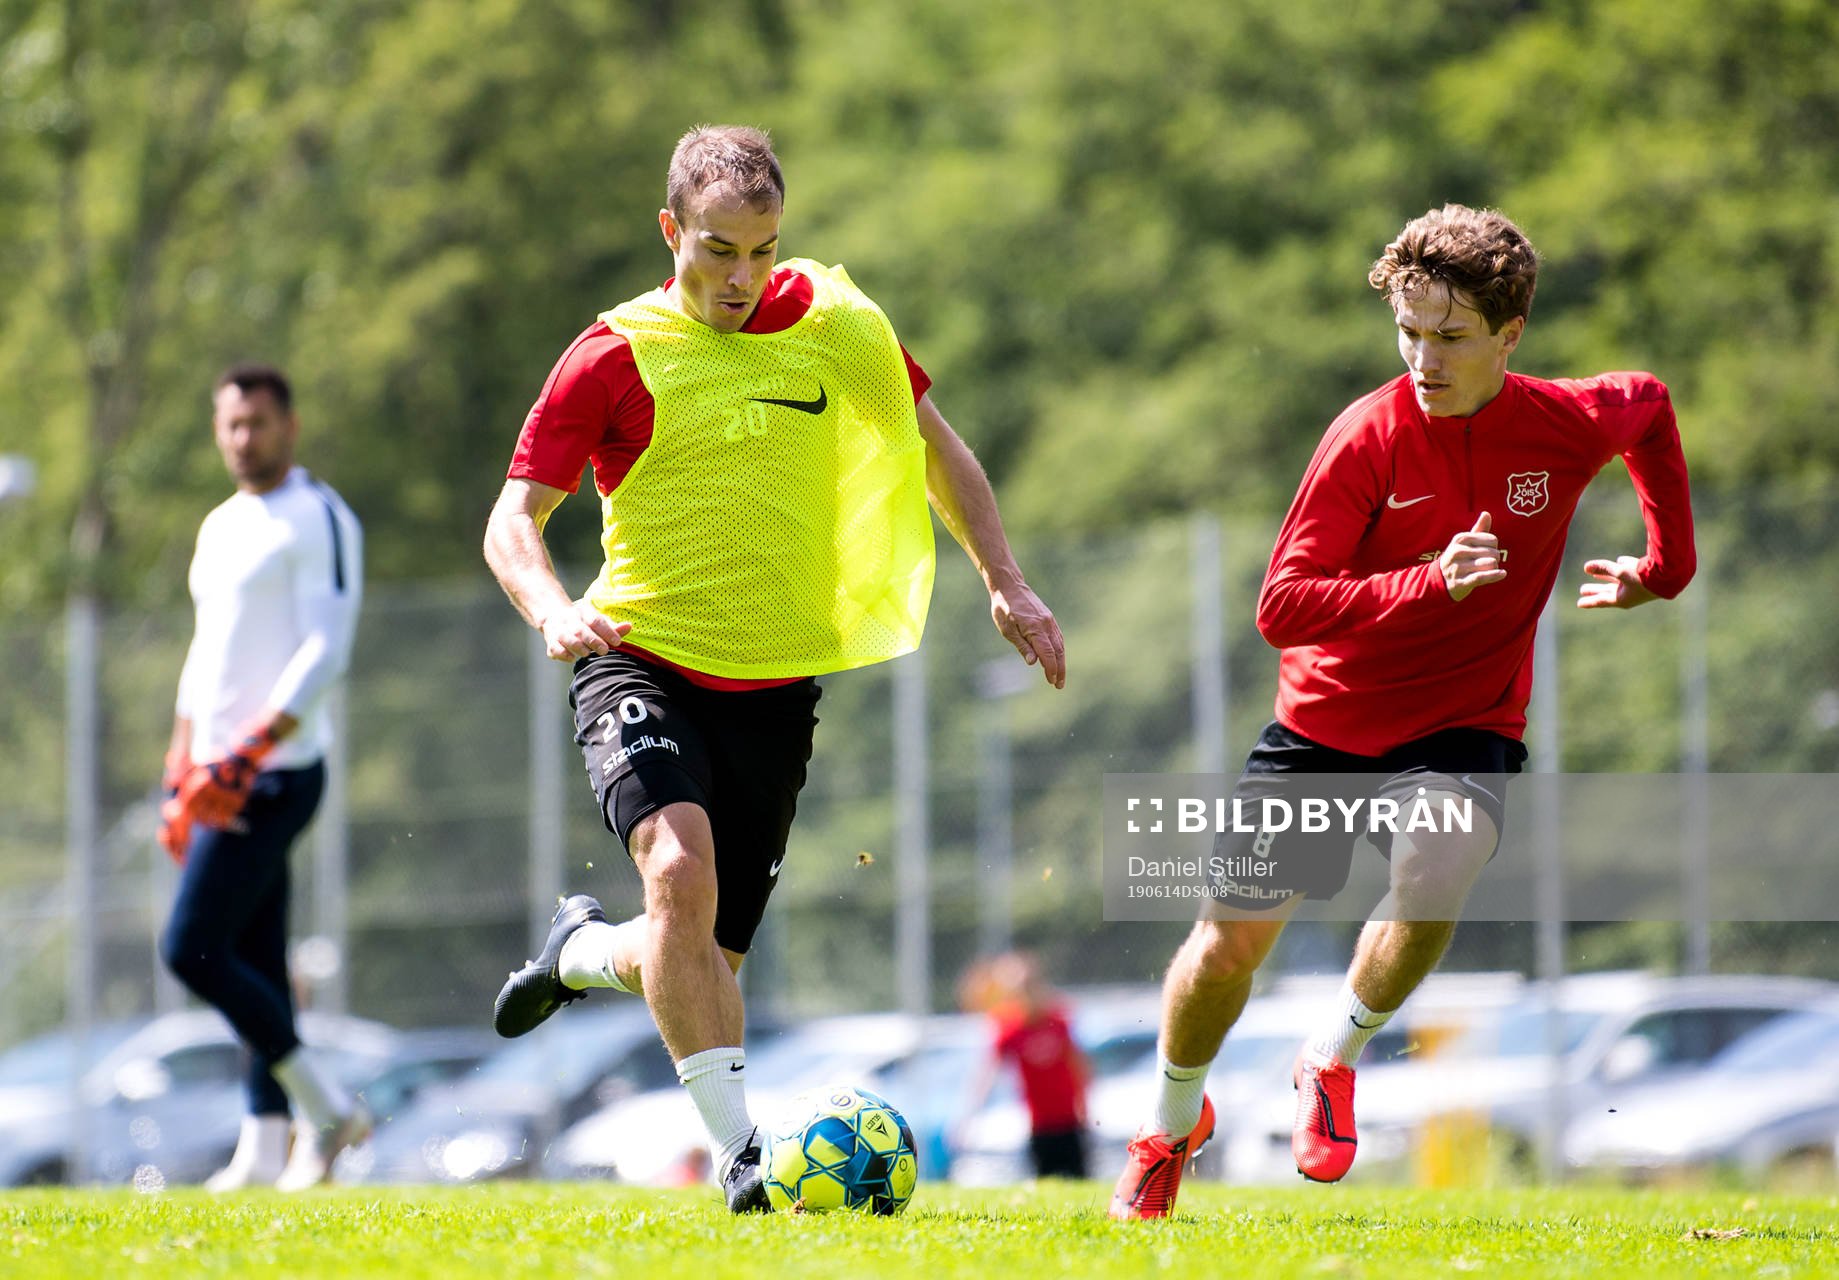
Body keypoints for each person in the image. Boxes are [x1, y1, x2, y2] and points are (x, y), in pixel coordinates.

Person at [482, 125, 1064, 1213]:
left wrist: (1006, 579)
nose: (741, 277)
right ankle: (743, 1159)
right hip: (638, 662)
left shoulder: (838, 324)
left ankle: (581, 953)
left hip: (775, 694)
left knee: (698, 955)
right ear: (671, 231)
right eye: (717, 250)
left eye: (762, 250)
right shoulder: (611, 353)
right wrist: (556, 610)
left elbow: (936, 448)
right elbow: (513, 519)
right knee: (677, 873)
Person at [1108, 204, 1696, 1218]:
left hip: (1467, 719)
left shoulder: (1561, 423)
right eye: (1409, 333)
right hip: (1324, 724)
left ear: (1510, 336)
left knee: (1437, 866)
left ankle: (1330, 1057)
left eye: (1451, 337)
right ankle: (1168, 1127)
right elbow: (1281, 609)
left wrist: (1664, 568)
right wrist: (1428, 581)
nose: (1424, 359)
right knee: (1226, 949)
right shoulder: (1364, 437)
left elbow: (1646, 406)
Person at [158, 364, 368, 1191]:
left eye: (258, 422)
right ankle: (263, 1146)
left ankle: (328, 1110)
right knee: (256, 953)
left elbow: (327, 650)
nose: (244, 438)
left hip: (274, 772)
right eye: (232, 425)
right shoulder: (219, 525)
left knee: (190, 948)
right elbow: (204, 655)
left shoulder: (318, 515)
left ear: (291, 426)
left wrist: (244, 754)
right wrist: (178, 771)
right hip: (212, 775)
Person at [955, 952, 1091, 1180]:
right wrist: (968, 1117)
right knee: (1046, 1181)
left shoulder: (1058, 1021)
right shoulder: (1010, 1028)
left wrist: (1085, 1106)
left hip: (1069, 1119)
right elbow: (988, 1073)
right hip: (1039, 1124)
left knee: (1080, 1178)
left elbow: (1078, 1064)